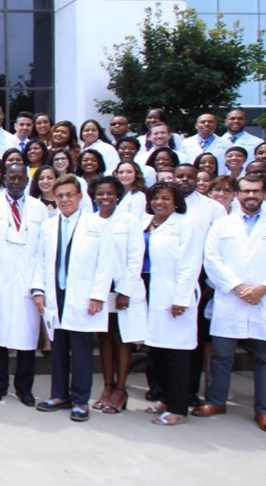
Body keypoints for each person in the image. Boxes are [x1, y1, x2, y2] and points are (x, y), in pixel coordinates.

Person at [200, 175, 266, 433]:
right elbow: (211, 260)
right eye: (245, 191)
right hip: (231, 298)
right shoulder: (222, 225)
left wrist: (263, 288)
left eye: (256, 191)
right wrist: (236, 286)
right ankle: (216, 401)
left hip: (265, 300)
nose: (250, 196)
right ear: (237, 194)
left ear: (265, 194)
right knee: (221, 355)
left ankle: (264, 411)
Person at [32, 174, 116, 421]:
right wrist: (39, 291)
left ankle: (80, 400)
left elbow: (105, 264)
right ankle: (59, 395)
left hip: (82, 296)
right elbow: (40, 259)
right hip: (55, 294)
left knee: (80, 352)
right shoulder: (48, 226)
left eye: (70, 195)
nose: (65, 199)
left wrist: (98, 296)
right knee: (58, 349)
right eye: (60, 196)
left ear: (80, 197)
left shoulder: (97, 225)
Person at [0, 165, 46, 405]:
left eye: (20, 178)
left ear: (26, 181)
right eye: (12, 177)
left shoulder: (39, 209)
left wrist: (38, 287)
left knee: (26, 339)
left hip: (27, 282)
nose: (16, 181)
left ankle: (24, 388)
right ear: (5, 179)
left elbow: (42, 252)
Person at [140, 181, 204, 425]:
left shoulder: (186, 225)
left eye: (166, 198)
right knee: (157, 352)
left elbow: (190, 265)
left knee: (177, 354)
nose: (160, 202)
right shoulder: (147, 224)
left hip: (174, 297)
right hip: (151, 295)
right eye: (156, 198)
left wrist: (181, 298)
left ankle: (178, 407)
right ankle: (165, 398)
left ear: (176, 201)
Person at [91, 176, 144, 414]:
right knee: (104, 339)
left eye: (109, 193)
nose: (105, 197)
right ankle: (107, 386)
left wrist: (125, 291)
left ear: (117, 195)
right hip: (99, 292)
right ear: (94, 196)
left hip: (122, 290)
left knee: (122, 339)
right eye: (100, 194)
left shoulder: (130, 222)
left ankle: (121, 389)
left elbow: (135, 259)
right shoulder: (89, 222)